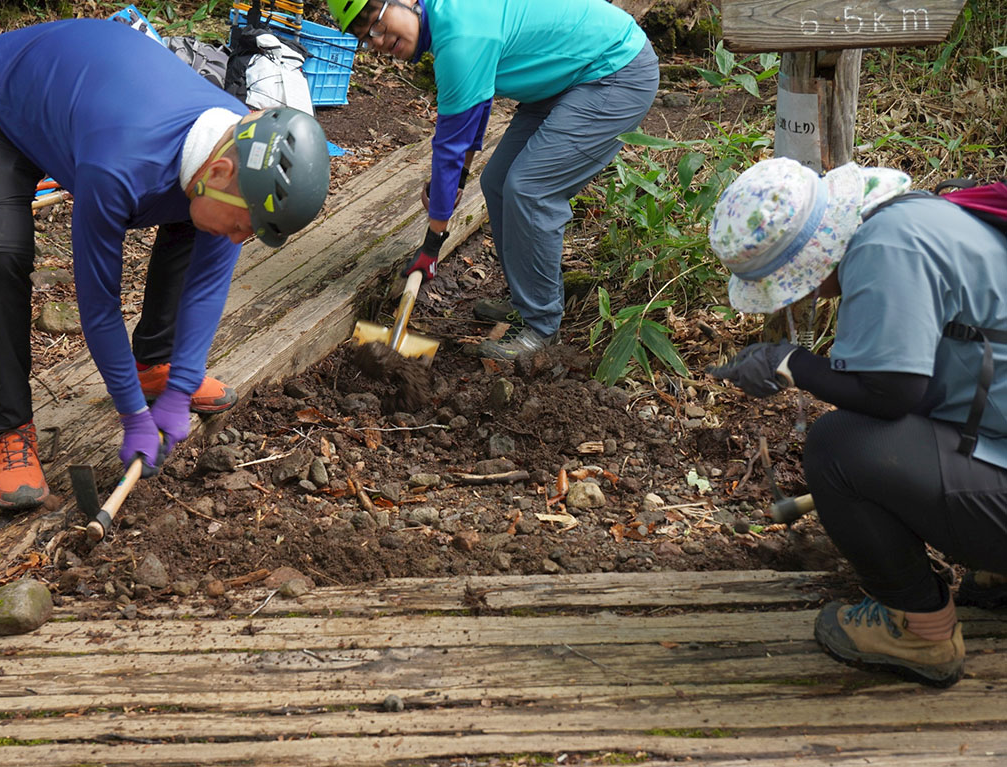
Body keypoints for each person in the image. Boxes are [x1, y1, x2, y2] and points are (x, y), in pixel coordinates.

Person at [0, 19, 331, 510]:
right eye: (245, 225)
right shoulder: (118, 167)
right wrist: (132, 416)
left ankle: (155, 365)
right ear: (221, 172)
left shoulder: (236, 145)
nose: (240, 239)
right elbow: (99, 305)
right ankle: (10, 427)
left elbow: (207, 286)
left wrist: (181, 387)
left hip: (78, 111)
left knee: (202, 218)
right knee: (1, 250)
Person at [708, 157, 1007, 688]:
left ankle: (918, 632)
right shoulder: (922, 217)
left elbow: (891, 395)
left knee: (840, 446)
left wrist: (790, 363)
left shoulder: (886, 248)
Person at [327, 0, 659, 359]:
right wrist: (457, 180)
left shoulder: (460, 36)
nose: (377, 41)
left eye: (376, 22)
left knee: (531, 190)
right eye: (365, 38)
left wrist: (432, 245)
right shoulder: (445, 19)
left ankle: (541, 327)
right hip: (565, 78)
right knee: (497, 182)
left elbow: (450, 146)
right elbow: (476, 108)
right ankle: (526, 301)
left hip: (614, 71)